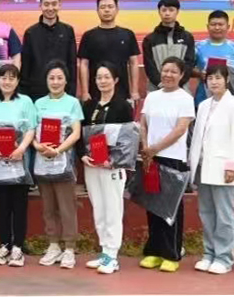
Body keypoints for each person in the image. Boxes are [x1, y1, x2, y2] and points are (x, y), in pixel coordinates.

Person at [189, 64, 234, 275]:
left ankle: (224, 257)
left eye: (218, 78)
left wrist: (233, 166)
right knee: (207, 213)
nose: (214, 82)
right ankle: (209, 253)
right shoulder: (204, 105)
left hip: (224, 167)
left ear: (227, 80)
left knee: (224, 214)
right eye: (210, 78)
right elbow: (198, 136)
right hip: (203, 166)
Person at [138, 57, 195, 273]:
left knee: (171, 209)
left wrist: (156, 148)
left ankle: (172, 253)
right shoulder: (152, 96)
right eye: (165, 70)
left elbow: (180, 130)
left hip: (173, 158)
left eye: (173, 71)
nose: (168, 75)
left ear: (181, 75)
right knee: (153, 206)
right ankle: (154, 251)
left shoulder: (185, 99)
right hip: (151, 158)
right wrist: (146, 148)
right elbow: (143, 124)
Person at [81, 62, 134, 274]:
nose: (102, 81)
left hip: (112, 167)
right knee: (99, 208)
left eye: (106, 77)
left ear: (115, 80)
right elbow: (81, 134)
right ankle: (104, 251)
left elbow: (128, 139)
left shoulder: (123, 106)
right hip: (92, 165)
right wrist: (83, 155)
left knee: (112, 209)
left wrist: (113, 160)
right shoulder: (89, 106)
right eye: (99, 77)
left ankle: (112, 255)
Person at [33, 60, 83, 269]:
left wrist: (58, 150)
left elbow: (76, 133)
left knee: (66, 206)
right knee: (48, 207)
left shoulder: (72, 103)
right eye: (51, 78)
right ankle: (53, 245)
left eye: (59, 78)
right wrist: (38, 146)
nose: (55, 82)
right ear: (46, 80)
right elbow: (32, 132)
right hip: (43, 161)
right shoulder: (38, 104)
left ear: (66, 80)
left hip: (63, 161)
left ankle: (69, 248)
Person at [0, 64, 36, 267]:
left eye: (12, 78)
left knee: (19, 206)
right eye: (4, 77)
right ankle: (4, 245)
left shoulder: (25, 101)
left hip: (19, 160)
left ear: (17, 81)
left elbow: (31, 128)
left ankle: (18, 248)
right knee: (3, 206)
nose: (7, 82)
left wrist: (21, 149)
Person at [78, 0, 140, 104]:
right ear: (97, 10)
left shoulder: (127, 34)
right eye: (103, 7)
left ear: (117, 9)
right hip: (95, 93)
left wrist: (134, 91)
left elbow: (134, 63)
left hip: (122, 92)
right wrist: (84, 92)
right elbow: (84, 64)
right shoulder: (89, 36)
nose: (106, 10)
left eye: (110, 7)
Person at [21, 0, 77, 99]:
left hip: (62, 91)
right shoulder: (30, 33)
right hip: (36, 92)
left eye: (54, 4)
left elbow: (72, 63)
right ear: (40, 6)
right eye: (46, 4)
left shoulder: (67, 30)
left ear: (59, 5)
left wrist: (71, 91)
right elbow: (26, 65)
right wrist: (24, 94)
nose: (50, 8)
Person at [142, 0, 195, 93]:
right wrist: (161, 84)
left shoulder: (187, 37)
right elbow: (149, 66)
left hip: (181, 89)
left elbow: (189, 63)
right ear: (159, 12)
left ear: (177, 11)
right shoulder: (150, 39)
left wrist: (177, 84)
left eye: (171, 10)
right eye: (164, 10)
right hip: (156, 90)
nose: (167, 13)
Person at [194, 11, 234, 106]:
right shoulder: (198, 47)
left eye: (220, 24)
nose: (217, 28)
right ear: (208, 27)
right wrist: (199, 73)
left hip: (229, 100)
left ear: (228, 27)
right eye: (213, 24)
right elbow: (187, 69)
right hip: (203, 98)